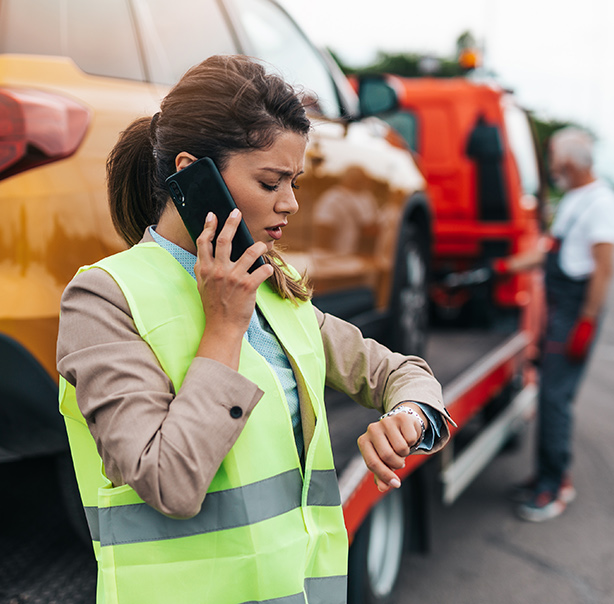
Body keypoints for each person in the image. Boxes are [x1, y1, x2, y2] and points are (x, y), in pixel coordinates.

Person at [56, 55, 453, 604]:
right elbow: (168, 481)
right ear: (193, 173)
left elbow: (399, 370)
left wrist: (408, 417)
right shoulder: (103, 299)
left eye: (294, 181)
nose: (290, 203)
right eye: (271, 182)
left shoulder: (270, 283)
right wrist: (224, 328)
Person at [494, 128, 614, 522]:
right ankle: (544, 477)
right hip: (560, 309)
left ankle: (555, 486)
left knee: (554, 398)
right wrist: (505, 267)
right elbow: (549, 251)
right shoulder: (574, 199)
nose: (551, 169)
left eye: (553, 160)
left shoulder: (603, 203)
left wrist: (586, 322)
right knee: (549, 394)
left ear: (568, 163)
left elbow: (603, 269)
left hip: (576, 310)